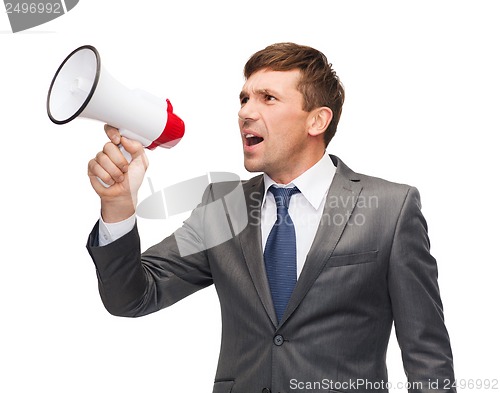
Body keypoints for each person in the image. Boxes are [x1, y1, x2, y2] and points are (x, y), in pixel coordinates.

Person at [86, 43, 456, 393]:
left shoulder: (389, 208)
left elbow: (427, 357)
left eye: (268, 98)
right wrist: (118, 207)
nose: (245, 111)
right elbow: (132, 297)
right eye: (245, 98)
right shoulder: (224, 208)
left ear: (317, 121)